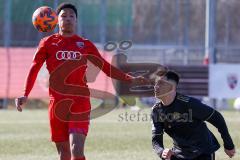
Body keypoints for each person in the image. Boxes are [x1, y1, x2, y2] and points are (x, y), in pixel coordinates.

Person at [15, 3, 145, 160]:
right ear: (56, 20)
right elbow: (34, 68)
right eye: (63, 16)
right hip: (57, 103)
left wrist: (129, 79)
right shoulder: (47, 43)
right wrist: (24, 94)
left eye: (71, 16)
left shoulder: (85, 45)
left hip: (80, 102)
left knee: (76, 150)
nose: (68, 19)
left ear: (76, 21)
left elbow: (105, 67)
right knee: (64, 154)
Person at [151, 71, 235, 160]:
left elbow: (217, 118)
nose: (155, 87)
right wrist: (161, 152)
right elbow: (156, 140)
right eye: (155, 83)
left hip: (203, 152)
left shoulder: (189, 104)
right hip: (179, 153)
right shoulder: (156, 111)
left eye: (160, 83)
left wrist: (228, 144)